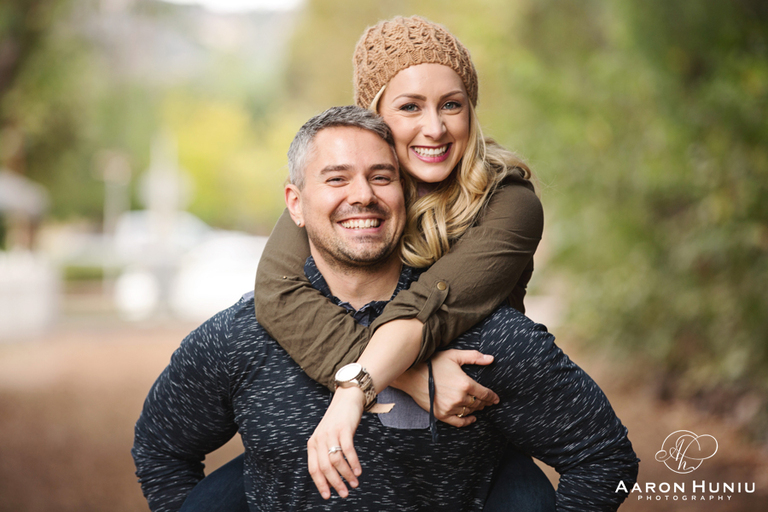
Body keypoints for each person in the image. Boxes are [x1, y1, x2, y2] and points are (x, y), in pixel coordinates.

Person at [132, 106, 639, 512]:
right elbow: (160, 448)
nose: (363, 196)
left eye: (381, 177)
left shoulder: (485, 335)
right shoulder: (239, 338)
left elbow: (604, 458)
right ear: (295, 203)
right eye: (336, 179)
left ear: (407, 192)